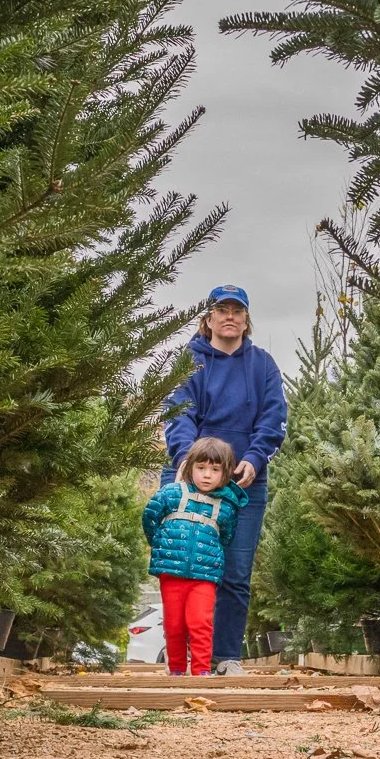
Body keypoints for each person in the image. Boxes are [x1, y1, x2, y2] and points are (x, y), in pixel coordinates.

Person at [162, 285, 287, 676]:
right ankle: (180, 657)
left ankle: (226, 656)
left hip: (244, 482)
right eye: (222, 309)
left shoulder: (263, 364)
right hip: (189, 475)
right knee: (181, 566)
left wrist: (254, 458)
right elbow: (178, 412)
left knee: (235, 571)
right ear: (209, 318)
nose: (230, 316)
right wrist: (187, 459)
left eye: (237, 310)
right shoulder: (191, 361)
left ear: (246, 319)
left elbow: (273, 418)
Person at [142, 438, 248, 675]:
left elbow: (226, 536)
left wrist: (209, 555)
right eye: (201, 468)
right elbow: (149, 518)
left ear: (226, 473)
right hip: (171, 572)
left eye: (215, 469)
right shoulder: (171, 494)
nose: (207, 475)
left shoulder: (226, 507)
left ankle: (201, 671)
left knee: (200, 622)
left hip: (205, 575)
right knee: (175, 624)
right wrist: (161, 544)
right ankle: (177, 670)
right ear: (190, 467)